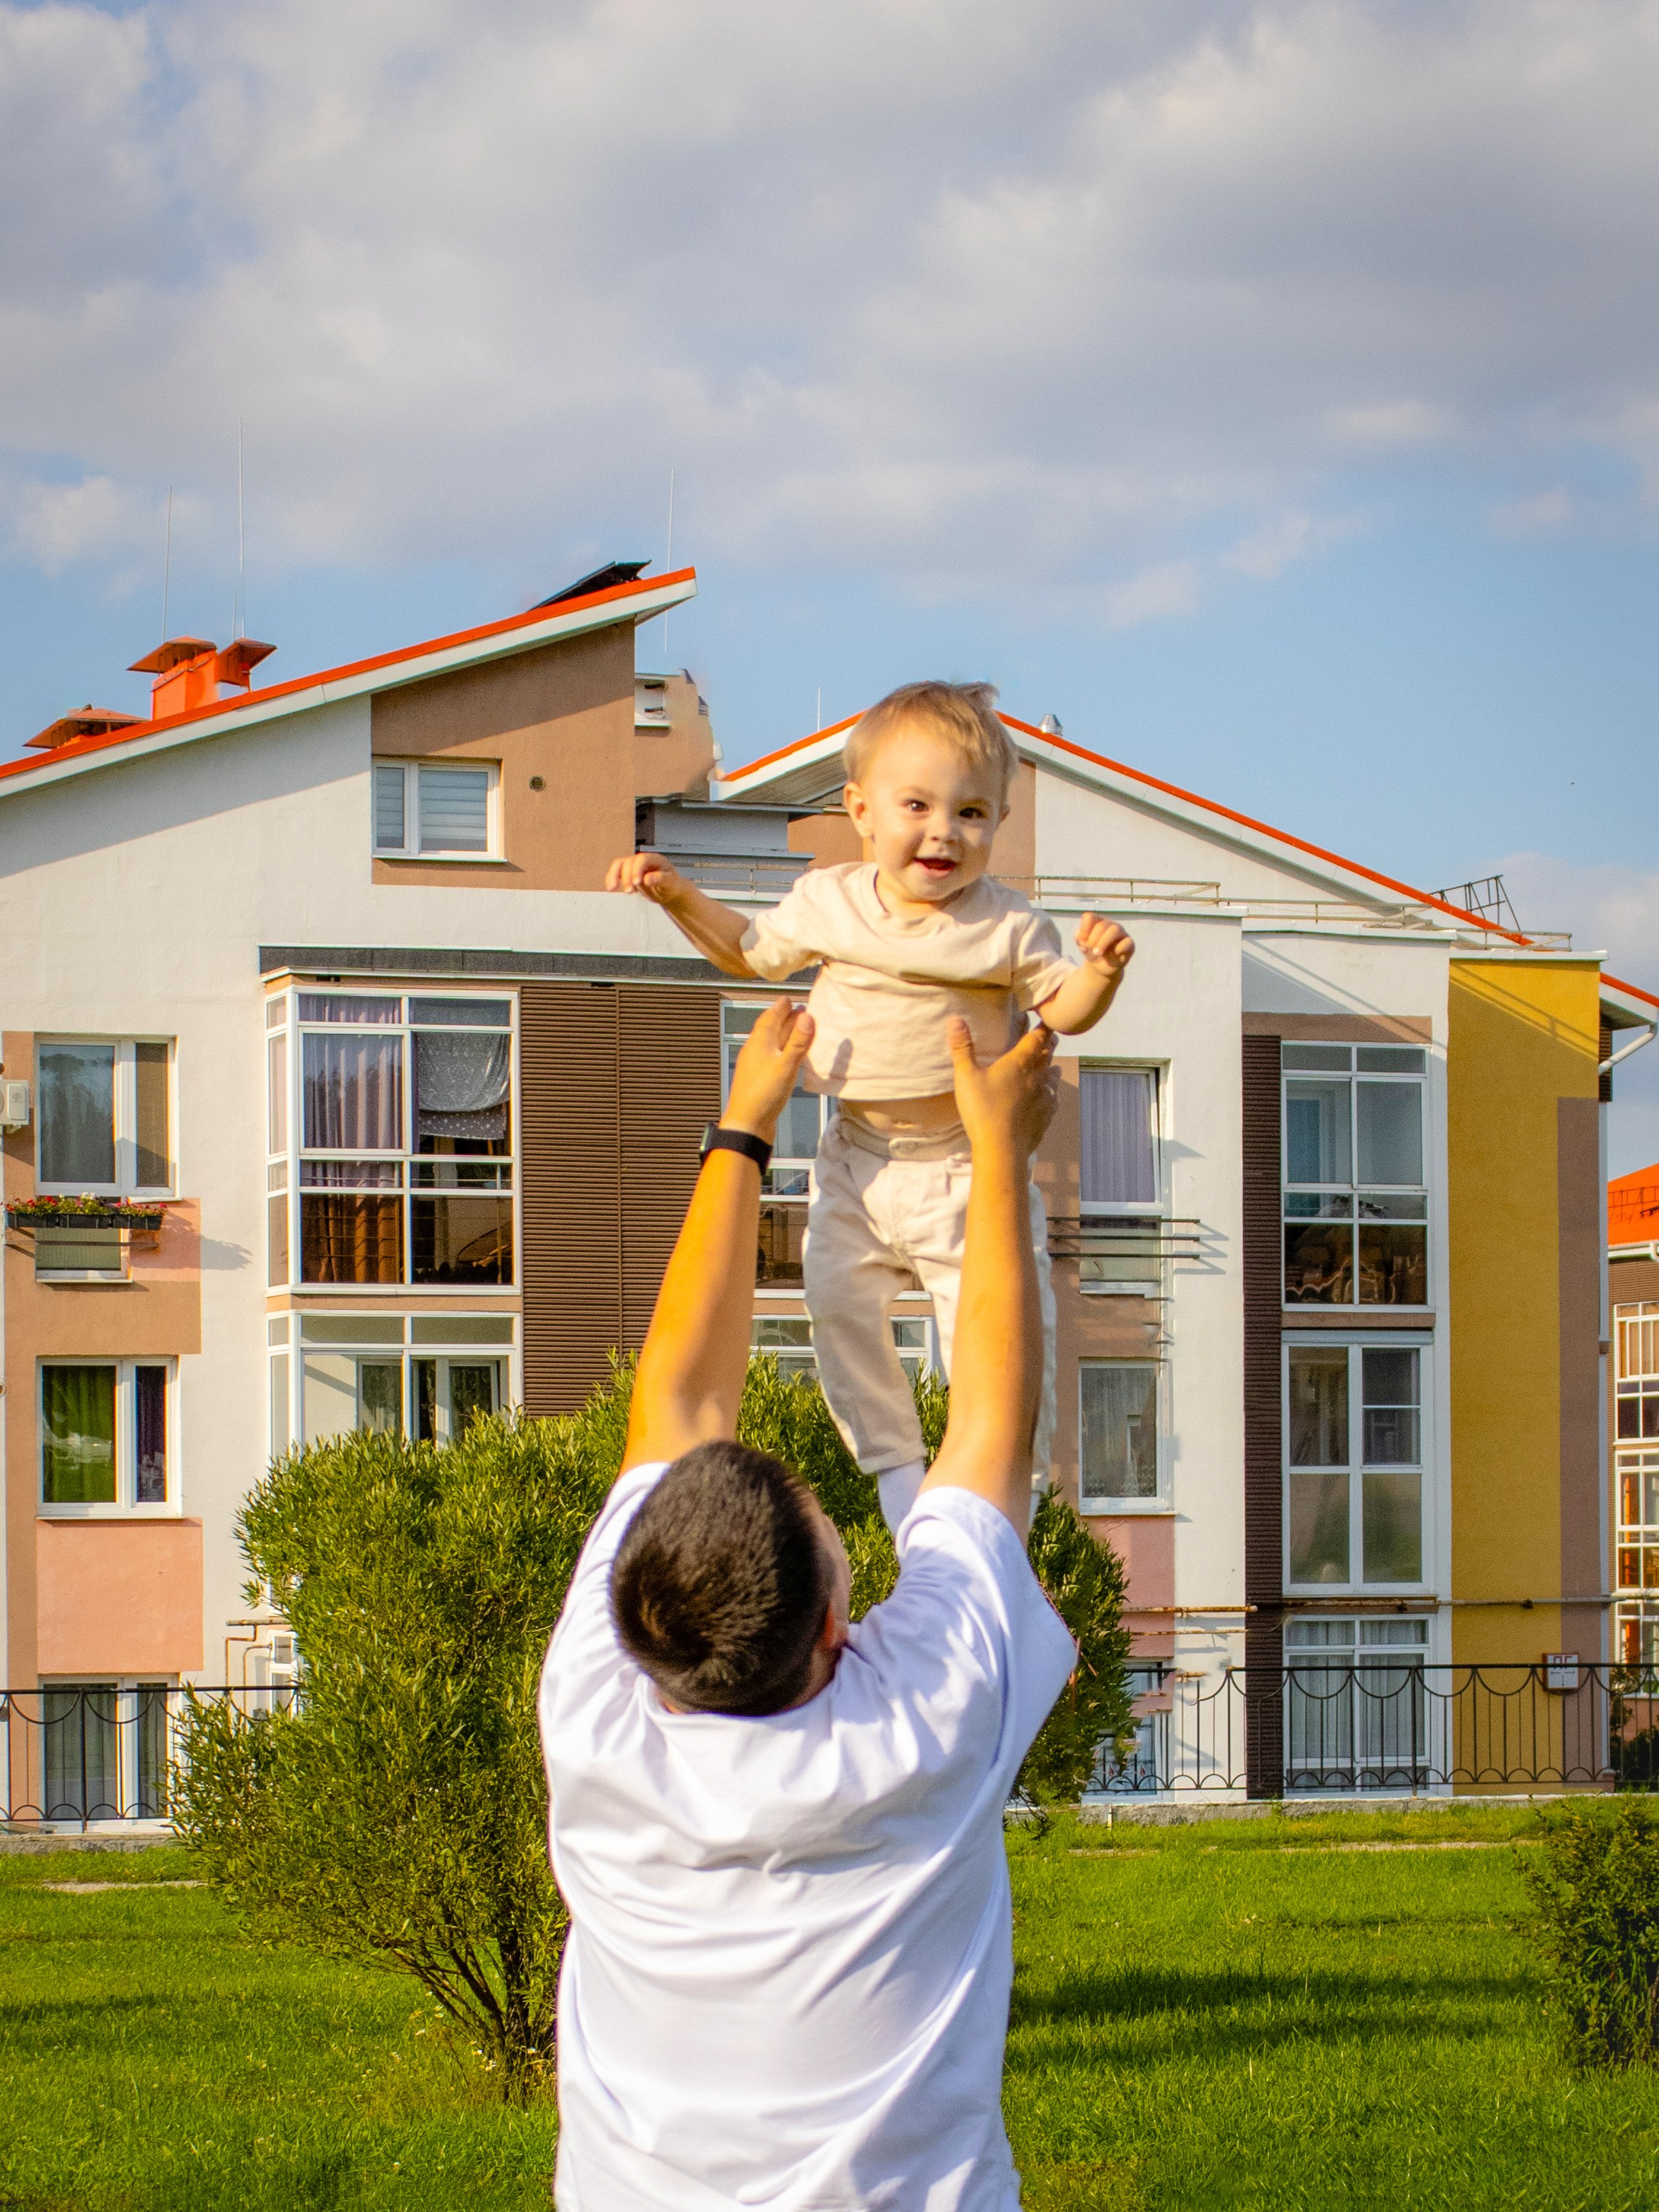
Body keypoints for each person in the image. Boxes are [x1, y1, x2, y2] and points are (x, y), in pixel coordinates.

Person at [538, 998, 1079, 2211]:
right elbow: (990, 1414)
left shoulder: (597, 1709)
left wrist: (742, 1128)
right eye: (830, 1526)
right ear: (838, 1624)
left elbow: (674, 1403)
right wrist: (997, 1154)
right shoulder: (923, 1716)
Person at [606, 681, 1134, 1532]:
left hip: (965, 1166)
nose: (944, 832)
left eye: (971, 813)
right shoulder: (829, 901)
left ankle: (1012, 1502)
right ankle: (895, 1472)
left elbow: (1061, 1009)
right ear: (861, 810)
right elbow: (752, 953)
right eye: (917, 806)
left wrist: (1101, 974)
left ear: (999, 820)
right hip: (854, 1156)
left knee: (993, 1334)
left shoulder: (1006, 925)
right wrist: (677, 897)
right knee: (839, 1311)